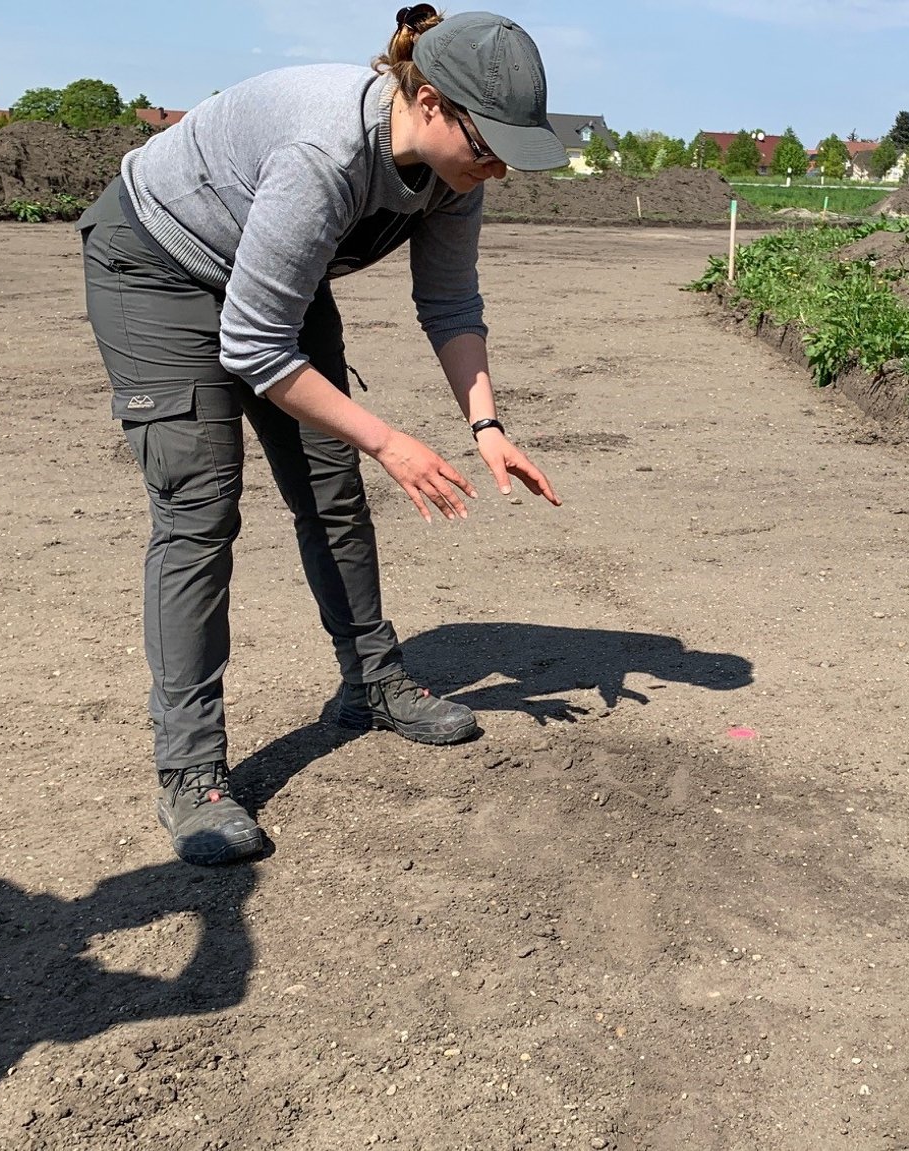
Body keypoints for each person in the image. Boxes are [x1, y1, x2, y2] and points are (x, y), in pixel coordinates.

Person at [79, 6, 564, 867]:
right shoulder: (324, 153)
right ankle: (190, 774)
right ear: (429, 103)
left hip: (268, 274)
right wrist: (390, 439)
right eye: (489, 144)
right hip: (157, 265)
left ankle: (370, 683)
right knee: (201, 509)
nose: (498, 167)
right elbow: (254, 346)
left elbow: (449, 303)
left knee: (330, 486)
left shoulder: (457, 178)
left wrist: (486, 425)